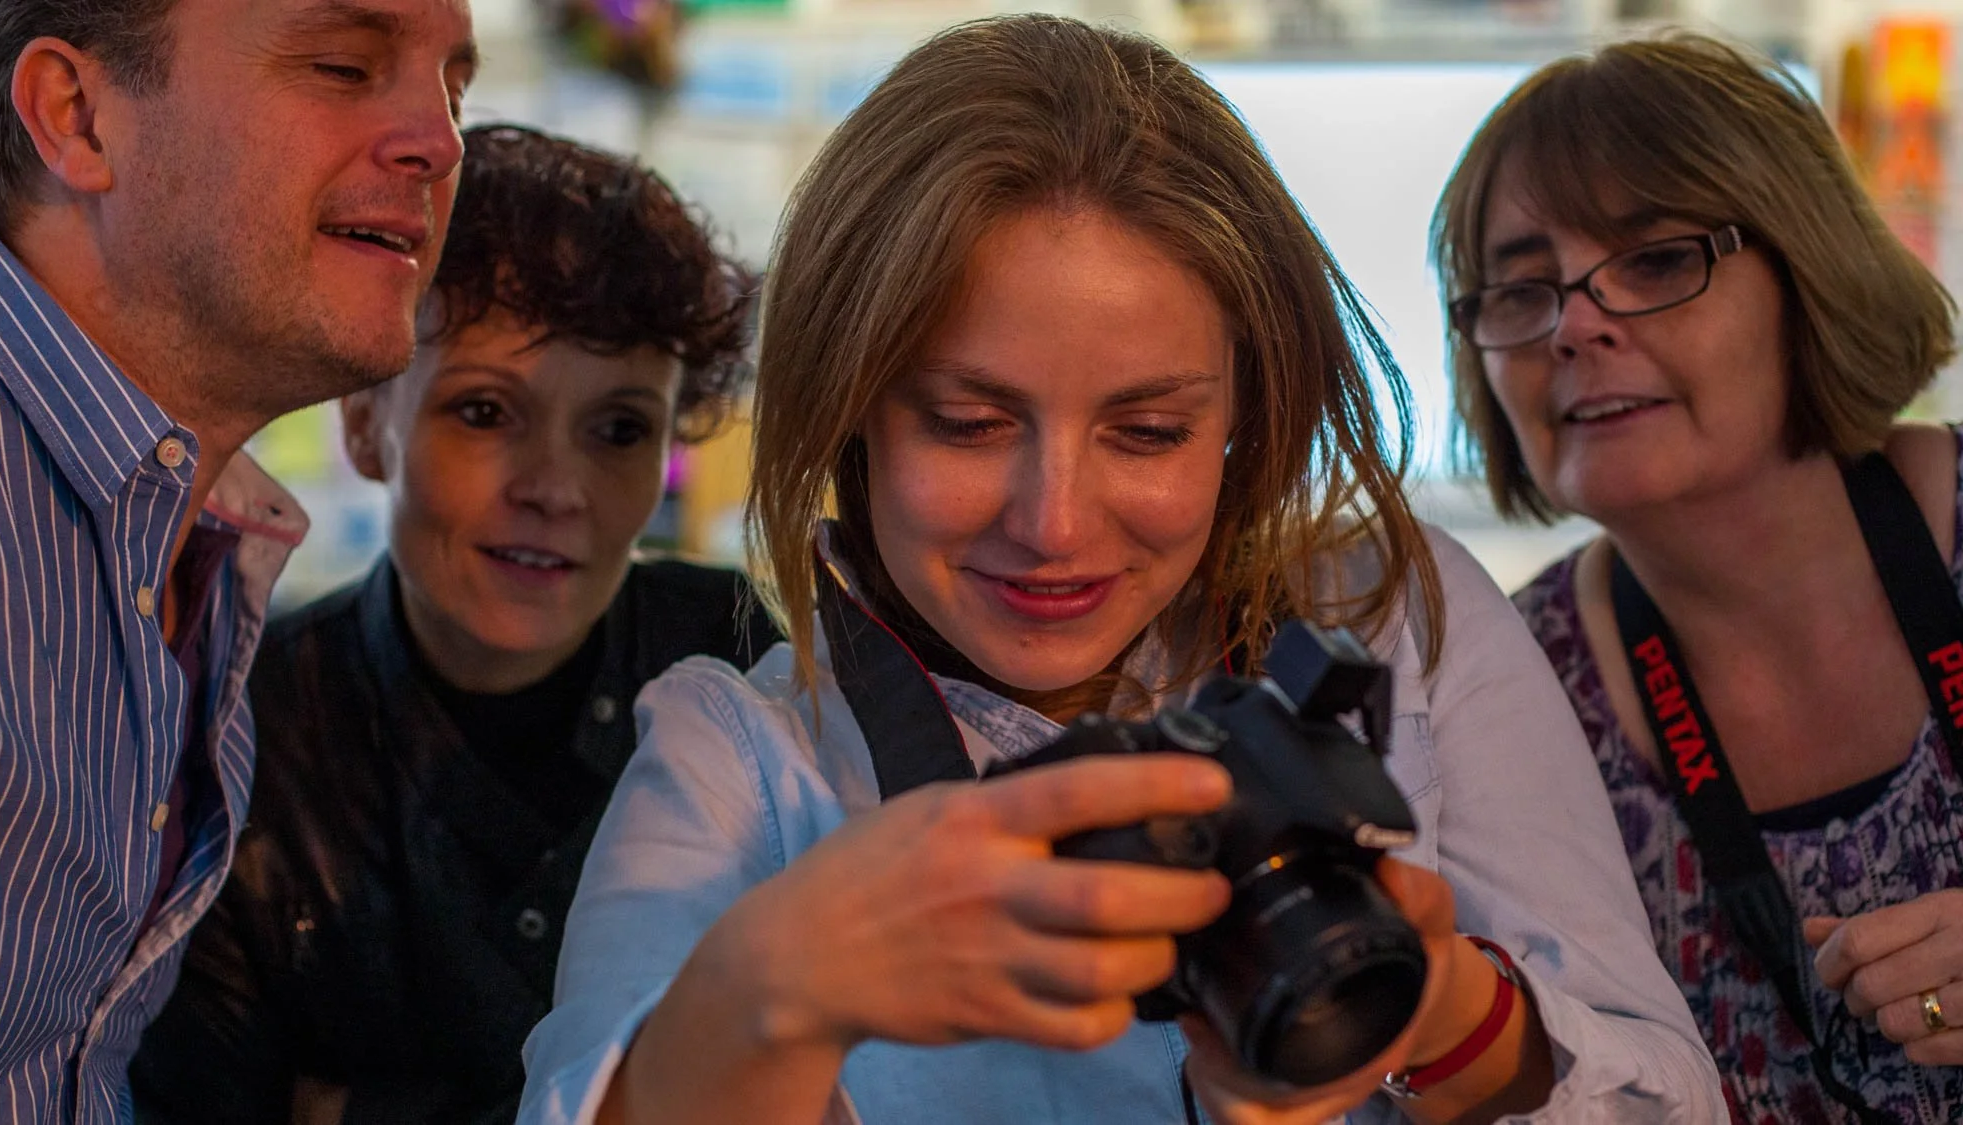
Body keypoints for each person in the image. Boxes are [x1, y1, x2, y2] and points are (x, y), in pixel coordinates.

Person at [517, 15, 1721, 1125]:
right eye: (967, 423)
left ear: (1247, 412)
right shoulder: (738, 766)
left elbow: (1671, 1104)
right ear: (849, 414)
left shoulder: (1388, 614)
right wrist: (773, 993)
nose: (1053, 523)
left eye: (1147, 432)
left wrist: (1436, 1013)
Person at [127, 123, 779, 1124]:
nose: (554, 488)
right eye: (484, 413)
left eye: (618, 429)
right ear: (363, 425)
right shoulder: (234, 739)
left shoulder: (742, 665)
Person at [1432, 32, 1963, 1123]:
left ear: (1808, 272)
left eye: (1658, 260)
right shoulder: (1507, 686)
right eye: (1521, 290)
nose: (1575, 326)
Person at [0, 0, 474, 1119]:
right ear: (76, 114)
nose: (439, 144)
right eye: (343, 65)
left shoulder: (188, 533)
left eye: (454, 89)